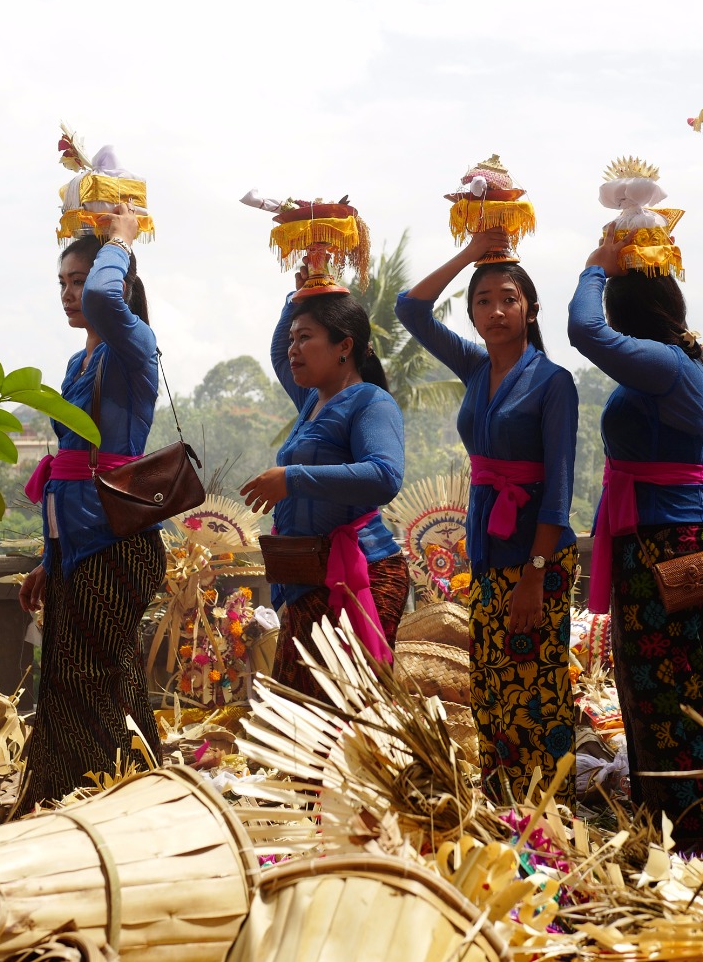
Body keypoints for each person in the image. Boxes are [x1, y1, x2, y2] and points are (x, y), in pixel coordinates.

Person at [397, 228, 579, 805]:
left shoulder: (554, 383)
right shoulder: (475, 368)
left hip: (536, 557)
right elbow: (411, 308)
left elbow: (558, 490)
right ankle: (503, 810)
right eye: (483, 301)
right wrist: (472, 254)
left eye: (509, 299)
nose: (496, 311)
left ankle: (551, 816)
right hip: (487, 550)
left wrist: (533, 574)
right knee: (494, 690)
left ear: (529, 308)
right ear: (472, 313)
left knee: (538, 690)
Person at [567, 225, 703, 849]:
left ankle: (691, 832)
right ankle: (671, 825)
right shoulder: (679, 362)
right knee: (659, 688)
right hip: (664, 534)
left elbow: (584, 331)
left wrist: (595, 266)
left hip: (665, 541)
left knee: (668, 690)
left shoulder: (663, 363)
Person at [14, 206, 165, 813]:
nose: (72, 295)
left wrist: (121, 239)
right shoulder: (81, 363)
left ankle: (120, 800)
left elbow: (106, 298)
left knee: (100, 684)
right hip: (78, 543)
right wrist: (50, 560)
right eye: (63, 284)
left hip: (116, 540)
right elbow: (68, 478)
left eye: (81, 281)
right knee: (78, 682)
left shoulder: (133, 349)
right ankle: (77, 799)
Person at [242, 269, 407, 700]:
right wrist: (300, 294)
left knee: (344, 721)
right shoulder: (311, 400)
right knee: (299, 725)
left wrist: (292, 479)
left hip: (359, 576)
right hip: (306, 579)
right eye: (293, 338)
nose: (293, 349)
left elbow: (385, 475)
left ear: (344, 347)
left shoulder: (371, 402)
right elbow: (280, 351)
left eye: (306, 338)